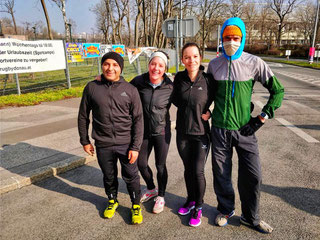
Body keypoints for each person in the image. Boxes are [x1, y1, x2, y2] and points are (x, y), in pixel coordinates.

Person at [207, 17, 284, 234]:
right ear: (221, 39)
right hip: (220, 129)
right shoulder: (214, 65)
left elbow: (278, 91)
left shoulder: (254, 62)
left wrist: (262, 118)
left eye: (236, 38)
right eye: (227, 38)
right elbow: (207, 94)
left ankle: (251, 217)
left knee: (253, 175)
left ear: (243, 39)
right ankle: (226, 209)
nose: (231, 41)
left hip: (244, 130)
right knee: (221, 173)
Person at [78, 52, 144, 225]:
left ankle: (135, 205)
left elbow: (138, 120)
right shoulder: (92, 87)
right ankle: (112, 200)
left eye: (115, 65)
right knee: (109, 176)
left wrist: (135, 147)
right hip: (103, 143)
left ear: (120, 68)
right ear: (102, 66)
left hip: (126, 144)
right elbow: (83, 116)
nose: (110, 68)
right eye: (107, 64)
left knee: (131, 176)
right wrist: (85, 140)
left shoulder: (130, 90)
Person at [172, 43, 214, 227]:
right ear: (182, 60)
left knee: (197, 171)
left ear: (200, 57)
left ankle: (198, 206)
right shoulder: (178, 79)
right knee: (188, 170)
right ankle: (190, 200)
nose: (192, 60)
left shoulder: (208, 80)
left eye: (195, 56)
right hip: (182, 133)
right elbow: (154, 83)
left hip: (201, 134)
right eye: (187, 57)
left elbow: (220, 100)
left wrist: (211, 111)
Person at [130, 51, 173, 214]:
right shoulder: (138, 81)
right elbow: (123, 89)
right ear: (149, 64)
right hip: (143, 131)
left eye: (160, 65)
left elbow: (187, 101)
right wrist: (101, 80)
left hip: (161, 131)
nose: (156, 68)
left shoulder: (170, 86)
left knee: (160, 165)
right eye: (153, 64)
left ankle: (161, 196)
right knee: (140, 163)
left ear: (165, 68)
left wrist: (205, 112)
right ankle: (151, 188)